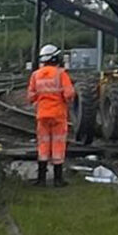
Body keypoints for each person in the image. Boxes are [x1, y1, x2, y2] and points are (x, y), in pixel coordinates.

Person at [26, 44, 77, 186]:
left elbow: (30, 97)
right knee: (58, 145)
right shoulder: (61, 74)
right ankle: (58, 179)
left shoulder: (36, 75)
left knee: (43, 145)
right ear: (56, 58)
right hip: (58, 115)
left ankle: (41, 179)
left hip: (42, 115)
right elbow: (69, 94)